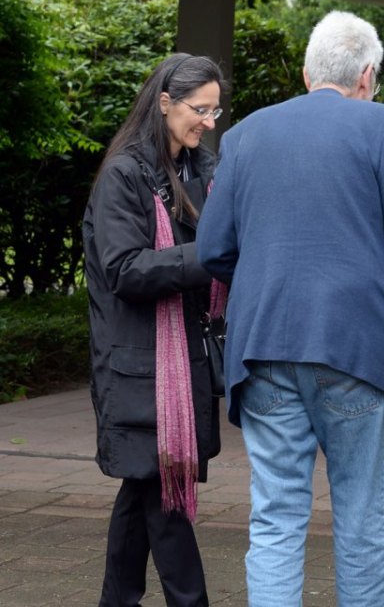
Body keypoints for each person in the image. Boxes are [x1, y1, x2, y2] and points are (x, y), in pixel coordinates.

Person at [196, 11, 384, 606]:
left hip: (264, 344)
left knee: (275, 516)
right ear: (368, 75)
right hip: (358, 345)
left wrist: (260, 286)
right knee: (359, 516)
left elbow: (213, 249)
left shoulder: (244, 134)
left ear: (306, 74)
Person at [83, 53, 229, 606]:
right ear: (164, 103)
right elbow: (124, 269)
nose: (208, 123)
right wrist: (212, 256)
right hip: (138, 367)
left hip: (175, 364)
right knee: (163, 497)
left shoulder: (200, 167)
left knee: (142, 492)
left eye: (215, 112)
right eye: (200, 110)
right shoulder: (124, 175)